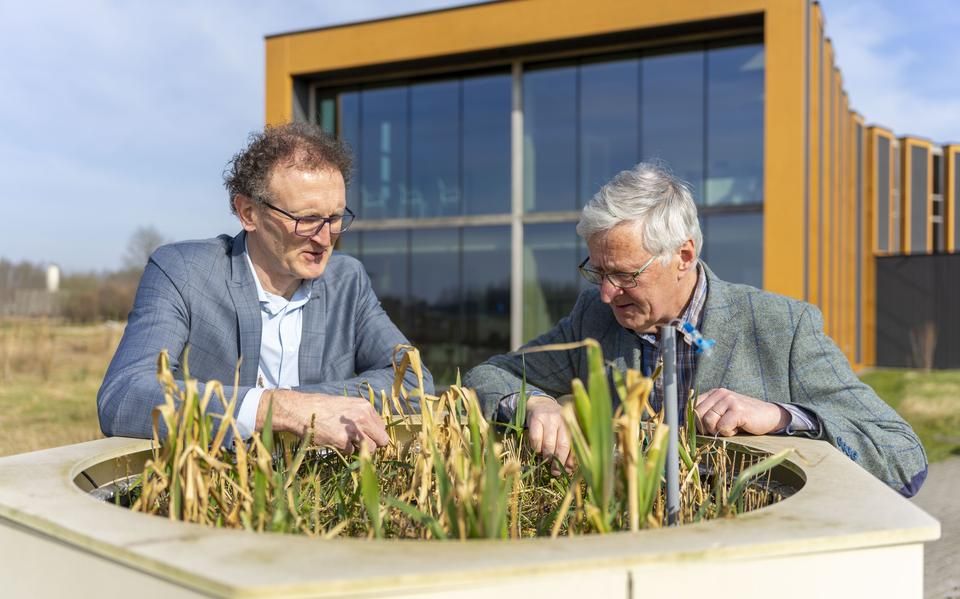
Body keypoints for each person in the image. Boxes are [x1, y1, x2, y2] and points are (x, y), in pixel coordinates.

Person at [464, 162, 927, 497]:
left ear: (683, 256)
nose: (607, 293)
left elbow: (902, 458)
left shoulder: (782, 327)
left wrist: (782, 418)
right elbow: (491, 375)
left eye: (625, 275)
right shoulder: (595, 317)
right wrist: (536, 404)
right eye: (597, 271)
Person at [98, 122, 432, 453]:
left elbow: (415, 382)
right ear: (248, 213)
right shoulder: (182, 271)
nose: (326, 237)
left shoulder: (348, 280)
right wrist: (280, 409)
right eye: (307, 219)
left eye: (334, 218)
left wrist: (304, 405)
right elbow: (125, 395)